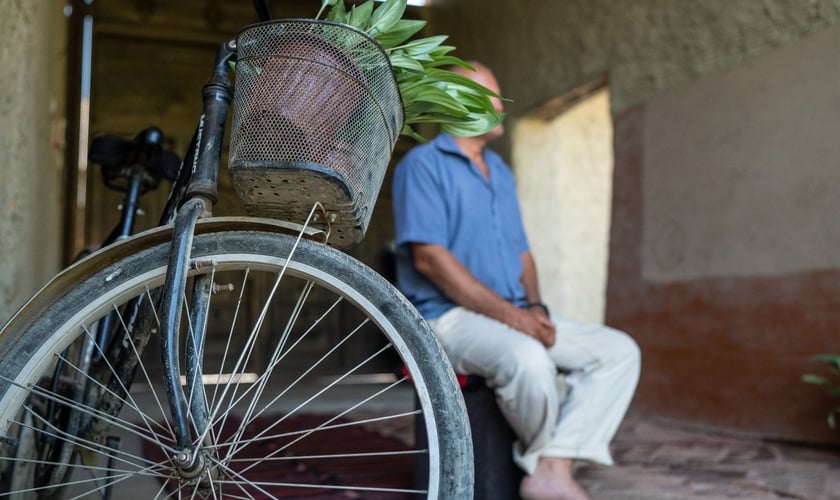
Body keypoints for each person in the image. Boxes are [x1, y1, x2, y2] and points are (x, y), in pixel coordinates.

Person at [391, 62, 641, 500]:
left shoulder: (500, 171)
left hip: (511, 313)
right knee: (527, 358)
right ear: (456, 102)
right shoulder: (422, 165)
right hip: (447, 319)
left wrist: (536, 308)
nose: (501, 105)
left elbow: (521, 251)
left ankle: (550, 467)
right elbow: (430, 259)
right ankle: (551, 468)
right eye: (491, 94)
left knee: (618, 351)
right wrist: (517, 320)